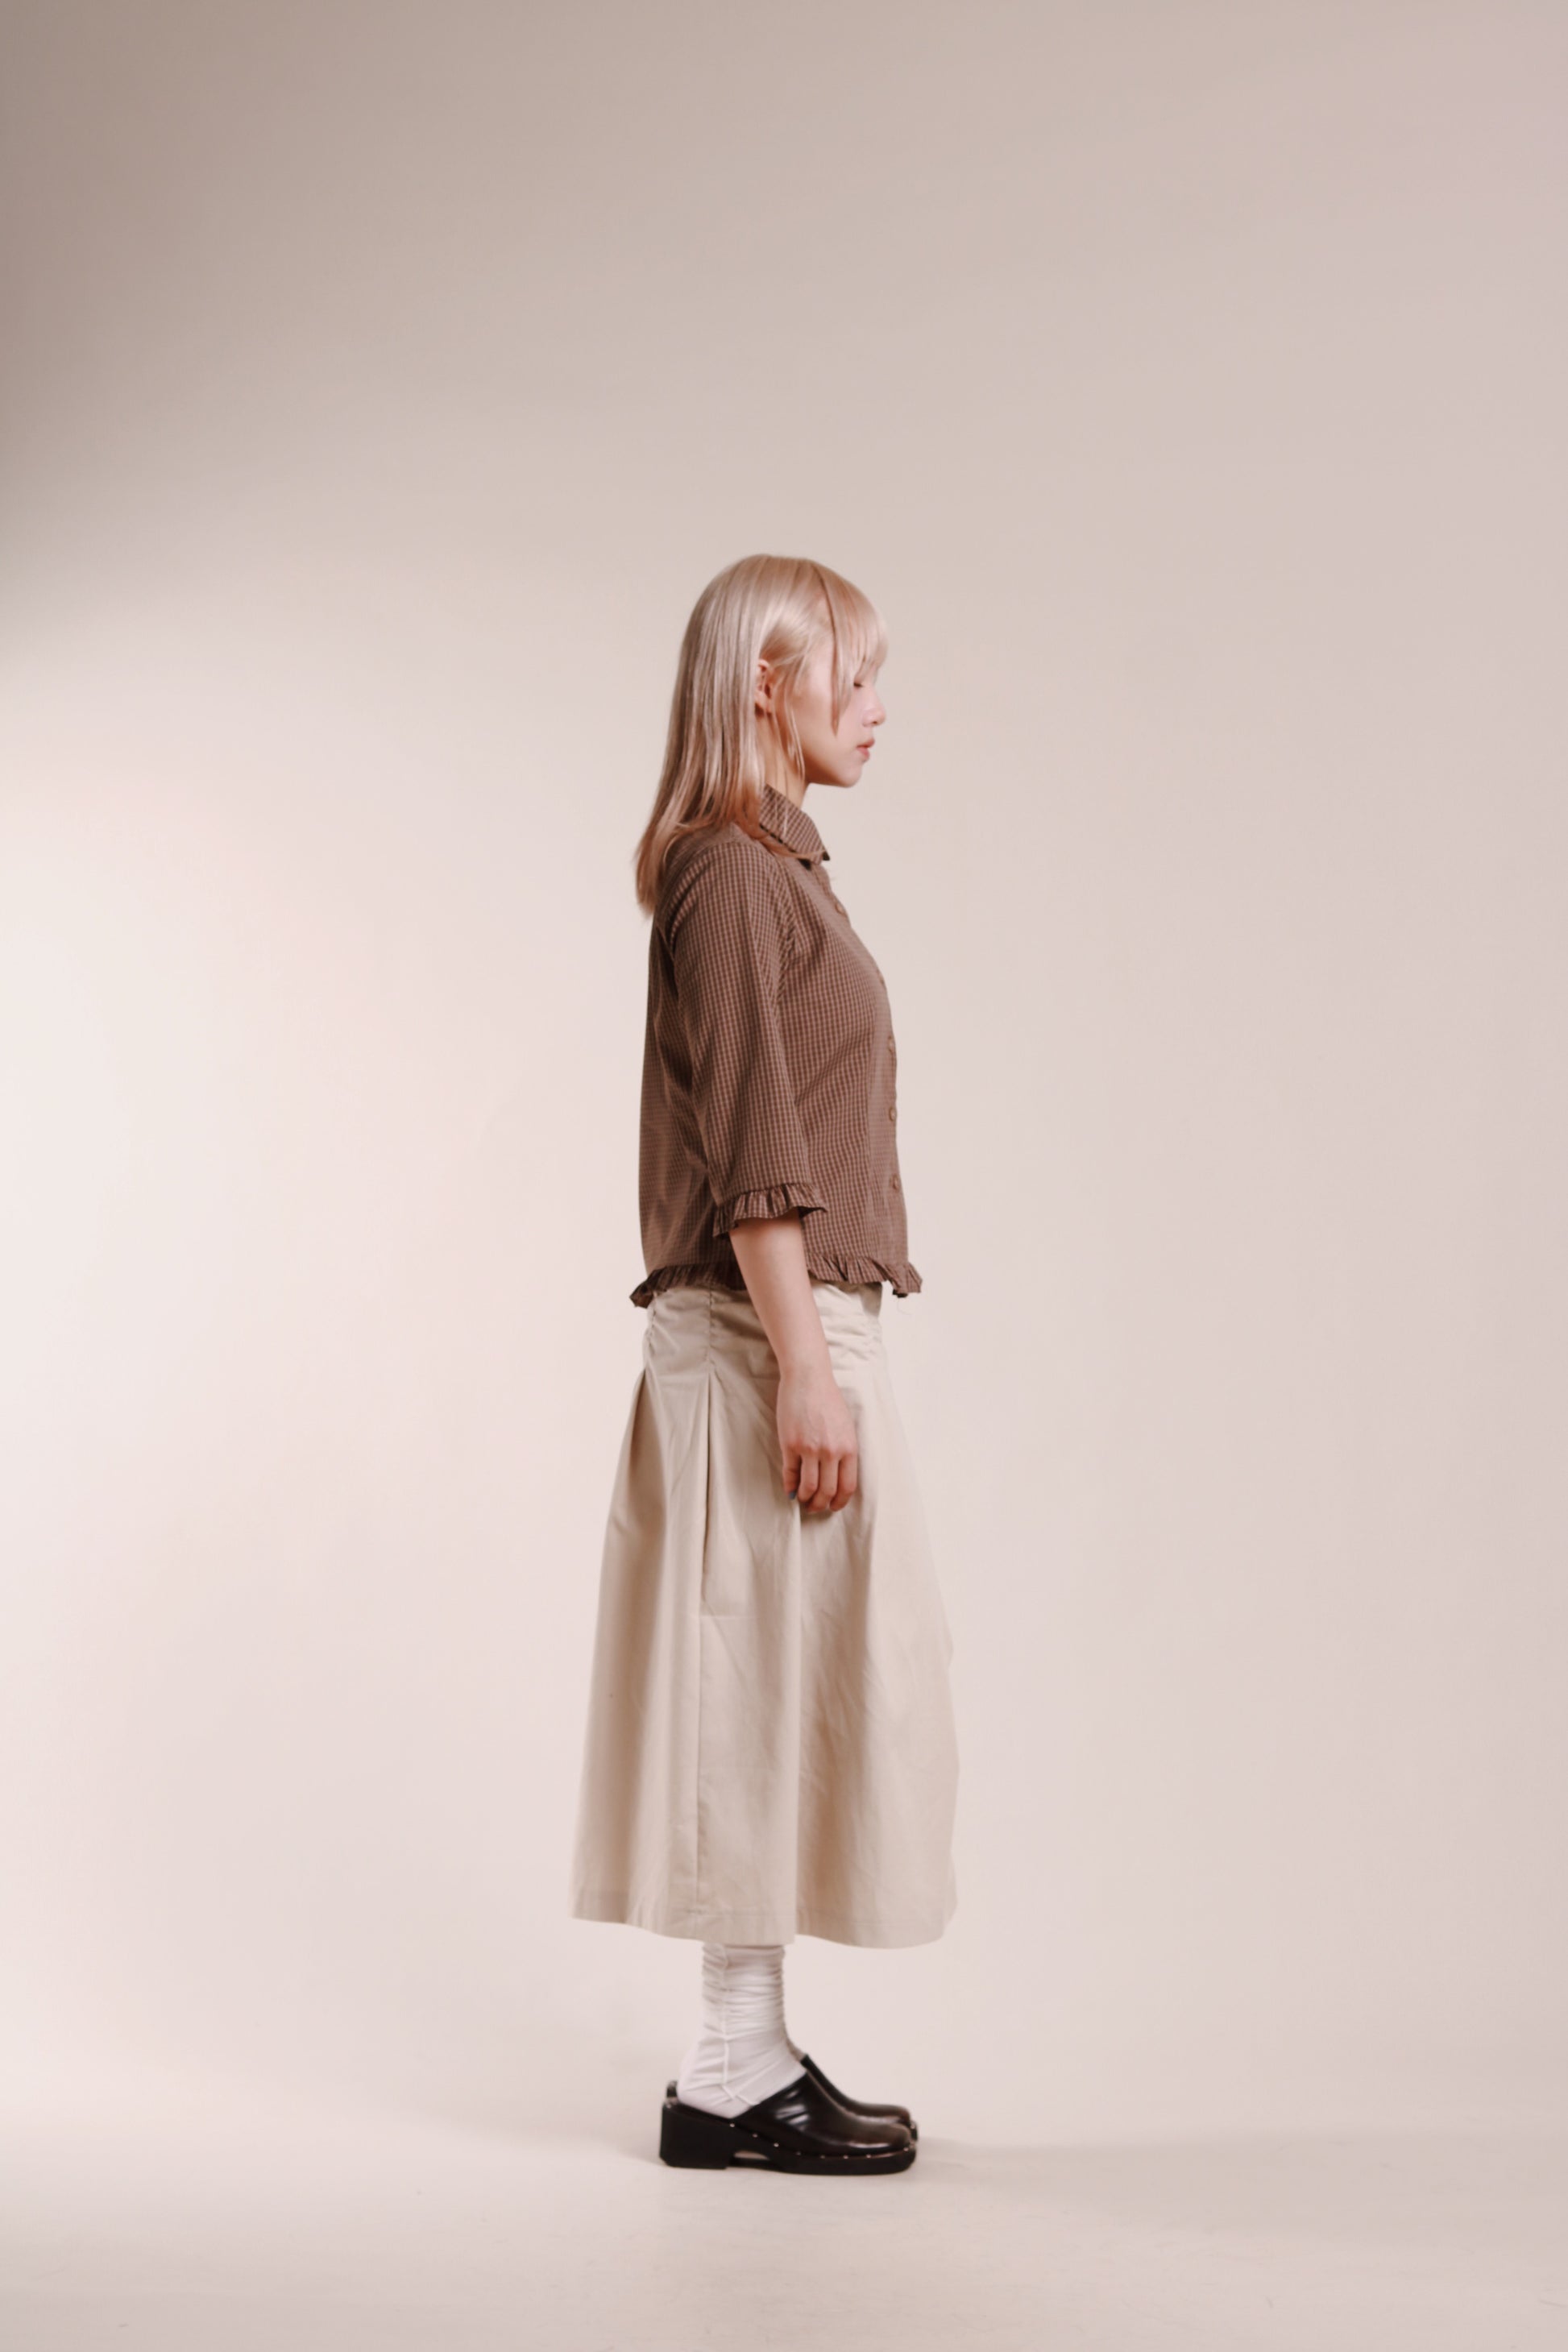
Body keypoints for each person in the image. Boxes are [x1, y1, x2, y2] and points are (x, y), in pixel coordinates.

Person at [569, 554, 959, 2176]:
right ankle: (729, 2071)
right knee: (745, 1686)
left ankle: (745, 2054)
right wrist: (805, 1364)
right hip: (758, 1331)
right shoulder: (729, 872)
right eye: (852, 675)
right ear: (765, 685)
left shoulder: (772, 869)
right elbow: (752, 1141)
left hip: (787, 1324)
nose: (876, 707)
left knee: (795, 1686)